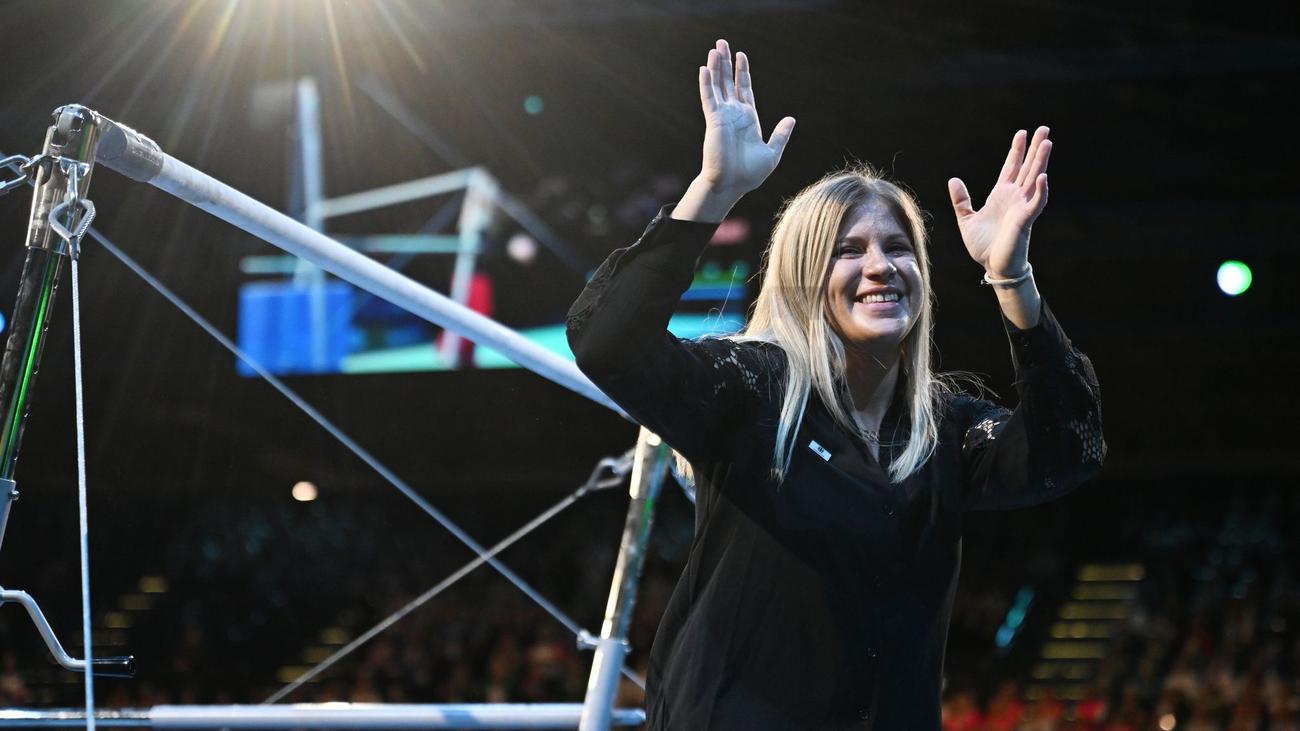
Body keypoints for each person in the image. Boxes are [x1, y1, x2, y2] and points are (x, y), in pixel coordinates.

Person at [566, 39, 1105, 730]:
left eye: (898, 247)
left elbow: (1070, 451)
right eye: (848, 251)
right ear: (803, 279)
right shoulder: (755, 390)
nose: (881, 266)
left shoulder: (941, 428)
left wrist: (1012, 278)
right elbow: (607, 341)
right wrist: (715, 190)